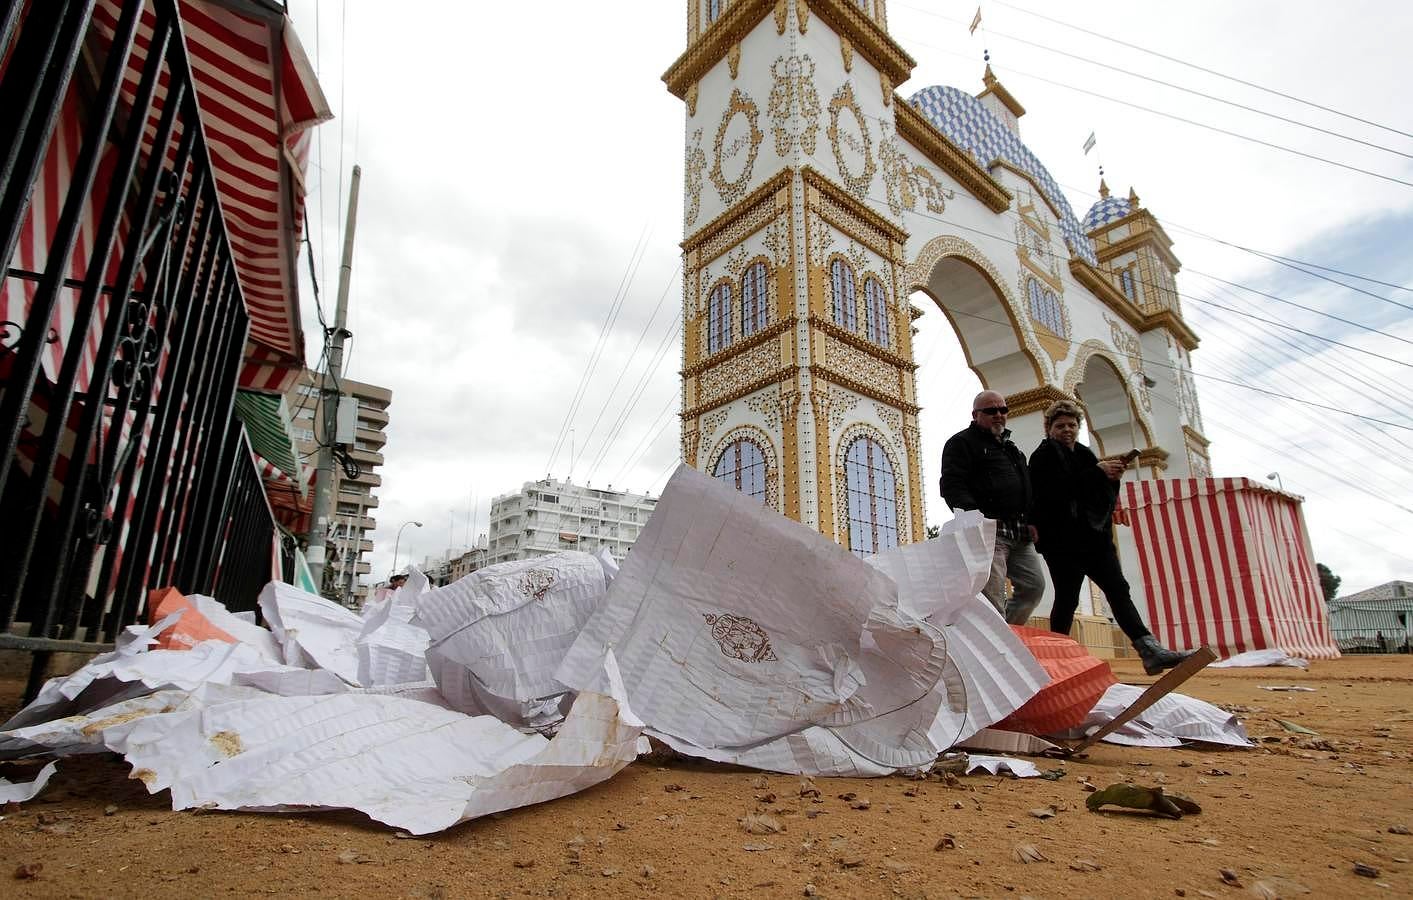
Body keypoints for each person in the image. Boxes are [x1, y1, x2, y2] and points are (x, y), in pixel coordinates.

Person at [1028, 399, 1194, 675]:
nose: (1067, 430)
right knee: (1068, 599)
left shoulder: (1084, 454)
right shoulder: (1043, 456)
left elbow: (1096, 494)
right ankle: (1054, 659)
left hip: (1094, 539)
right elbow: (1052, 494)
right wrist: (1097, 473)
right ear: (1049, 429)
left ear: (1079, 427)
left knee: (1118, 590)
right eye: (1060, 426)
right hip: (1062, 543)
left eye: (1072, 424)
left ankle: (1148, 649)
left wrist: (1111, 479)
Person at [941, 390, 1045, 623]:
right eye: (991, 410)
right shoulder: (961, 444)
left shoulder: (1011, 448)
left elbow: (1026, 486)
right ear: (975, 414)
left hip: (1019, 532)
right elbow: (952, 484)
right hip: (990, 532)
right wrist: (974, 518)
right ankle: (998, 645)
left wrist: (1031, 519)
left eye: (1003, 409)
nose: (998, 415)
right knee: (993, 598)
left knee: (1034, 587)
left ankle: (1006, 635)